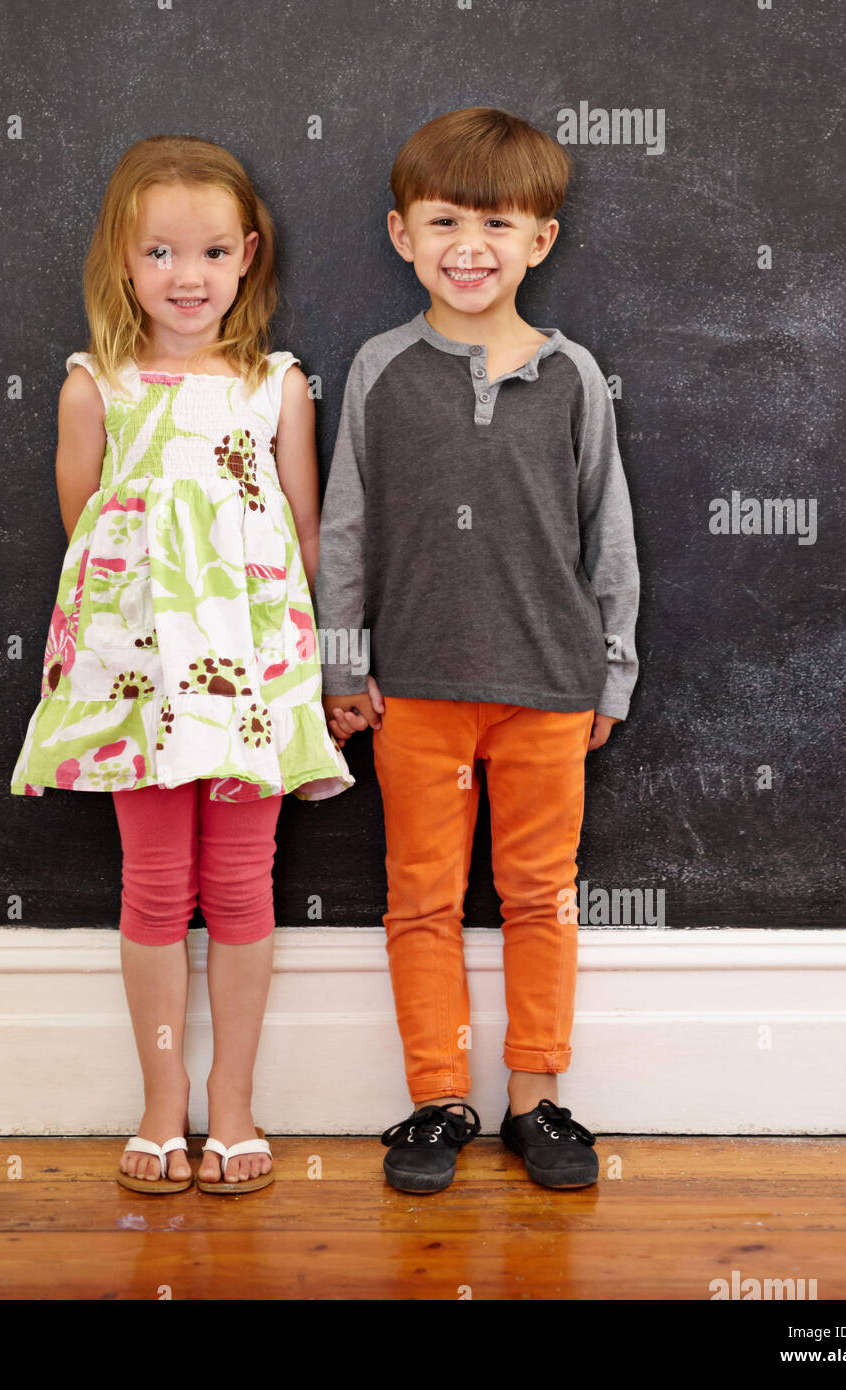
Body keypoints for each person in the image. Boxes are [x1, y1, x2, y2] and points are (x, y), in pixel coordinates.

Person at [11, 134, 353, 1194]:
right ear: (122, 257)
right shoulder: (93, 385)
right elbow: (89, 536)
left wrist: (318, 668)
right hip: (138, 680)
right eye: (160, 253)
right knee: (155, 888)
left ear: (247, 256)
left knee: (243, 883)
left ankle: (236, 1104)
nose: (187, 277)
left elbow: (303, 533)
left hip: (251, 678)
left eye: (209, 252)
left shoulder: (276, 386)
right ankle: (164, 1106)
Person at [315, 107, 640, 1193]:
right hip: (414, 691)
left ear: (539, 241)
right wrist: (341, 665)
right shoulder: (378, 370)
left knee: (543, 894)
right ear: (402, 233)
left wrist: (615, 667)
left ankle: (536, 1098)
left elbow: (610, 535)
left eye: (497, 223)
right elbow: (348, 525)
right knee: (424, 897)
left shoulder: (574, 377)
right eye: (445, 219)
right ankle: (435, 1100)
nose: (470, 244)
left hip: (549, 686)